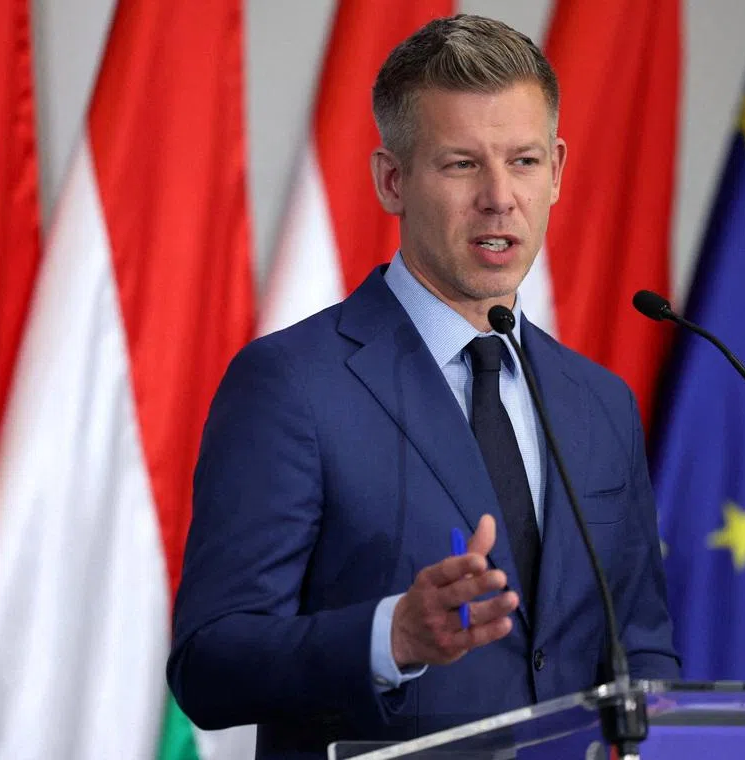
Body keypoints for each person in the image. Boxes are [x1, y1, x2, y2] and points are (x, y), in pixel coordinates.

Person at [167, 14, 679, 759]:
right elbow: (209, 666)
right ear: (392, 180)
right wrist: (393, 636)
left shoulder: (599, 403)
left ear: (560, 171)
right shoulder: (291, 386)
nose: (501, 197)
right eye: (461, 164)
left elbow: (643, 650)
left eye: (525, 161)